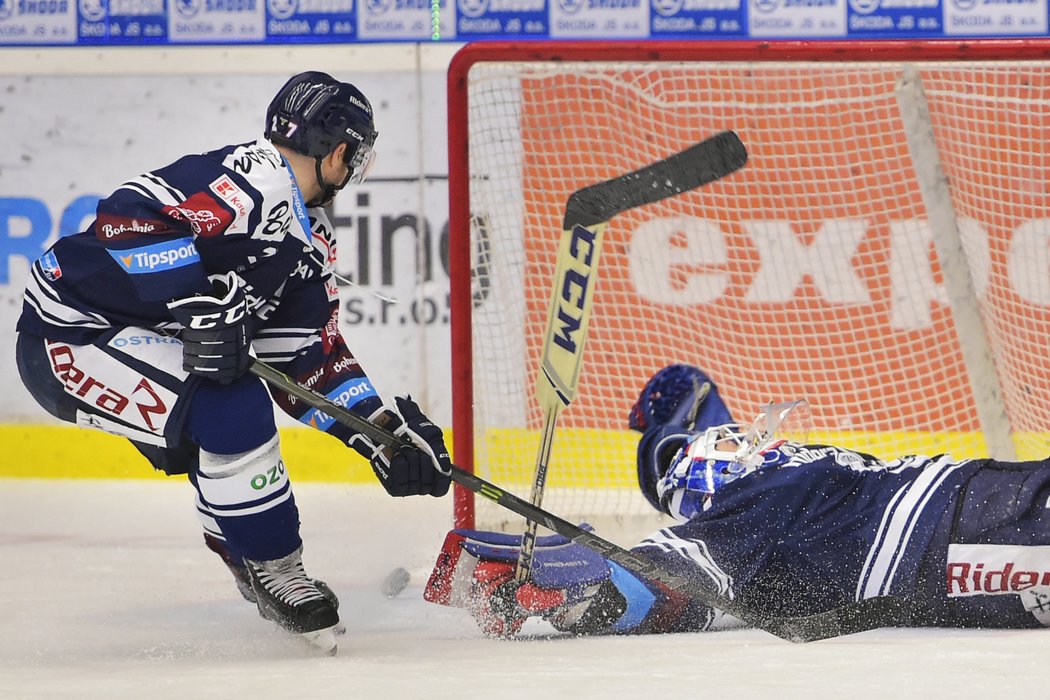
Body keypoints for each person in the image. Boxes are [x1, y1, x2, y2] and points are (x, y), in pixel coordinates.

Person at [15, 71, 452, 654]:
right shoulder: (250, 181)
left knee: (224, 407)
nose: (352, 173)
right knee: (230, 403)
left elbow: (308, 359)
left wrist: (382, 435)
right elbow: (121, 224)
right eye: (357, 157)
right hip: (70, 334)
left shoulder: (308, 237)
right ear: (340, 150)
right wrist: (195, 298)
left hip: (136, 341)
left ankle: (244, 551)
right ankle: (274, 564)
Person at [425, 363, 1050, 637]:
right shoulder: (803, 476)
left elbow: (658, 583)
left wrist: (554, 584)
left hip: (959, 529)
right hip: (978, 500)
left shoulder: (761, 492)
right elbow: (695, 604)